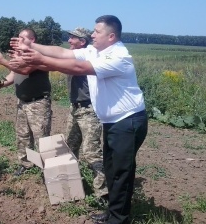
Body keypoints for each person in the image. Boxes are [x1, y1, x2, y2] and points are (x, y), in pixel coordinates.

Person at [10, 15, 148, 224]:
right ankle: (113, 212)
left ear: (111, 36)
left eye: (97, 32)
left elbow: (77, 68)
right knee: (112, 169)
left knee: (121, 171)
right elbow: (64, 53)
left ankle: (119, 219)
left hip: (127, 121)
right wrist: (32, 44)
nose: (92, 35)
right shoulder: (96, 51)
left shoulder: (118, 57)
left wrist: (39, 60)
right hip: (113, 121)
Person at [0, 28, 52, 176]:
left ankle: (47, 170)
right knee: (22, 136)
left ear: (32, 40)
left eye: (22, 38)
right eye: (18, 37)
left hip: (38, 103)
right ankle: (25, 163)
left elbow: (25, 70)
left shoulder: (36, 55)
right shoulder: (19, 55)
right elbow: (13, 74)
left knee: (41, 137)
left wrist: (2, 61)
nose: (18, 40)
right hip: (22, 102)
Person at [65, 27, 108, 199]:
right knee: (69, 147)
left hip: (89, 111)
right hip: (74, 108)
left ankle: (103, 193)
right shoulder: (75, 55)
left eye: (73, 38)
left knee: (91, 153)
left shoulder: (87, 57)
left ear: (82, 42)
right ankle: (72, 184)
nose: (69, 40)